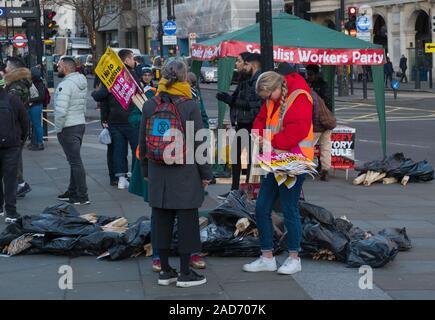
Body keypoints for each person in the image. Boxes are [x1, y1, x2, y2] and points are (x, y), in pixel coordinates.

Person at [139, 59, 213, 287]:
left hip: (157, 171)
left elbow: (142, 141)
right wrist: (205, 174)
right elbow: (200, 142)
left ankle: (165, 271)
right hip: (185, 171)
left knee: (160, 220)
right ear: (183, 78)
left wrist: (145, 171)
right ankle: (185, 273)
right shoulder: (189, 105)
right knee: (187, 221)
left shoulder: (150, 104)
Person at [243, 71, 313, 275]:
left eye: (267, 95)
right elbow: (260, 119)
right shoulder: (273, 98)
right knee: (262, 206)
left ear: (276, 88)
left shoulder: (299, 96)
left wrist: (269, 141)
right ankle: (267, 257)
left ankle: (294, 258)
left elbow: (297, 130)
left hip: (295, 162)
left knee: (289, 208)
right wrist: (257, 135)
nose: (266, 100)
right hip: (276, 161)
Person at [216, 52, 263, 199]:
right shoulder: (245, 79)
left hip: (251, 125)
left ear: (250, 64)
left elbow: (255, 105)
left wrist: (231, 100)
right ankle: (235, 190)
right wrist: (228, 99)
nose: (237, 64)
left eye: (239, 61)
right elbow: (238, 99)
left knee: (248, 160)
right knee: (236, 157)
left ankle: (244, 191)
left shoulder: (257, 80)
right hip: (242, 124)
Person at [92, 51, 140, 190]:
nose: (134, 61)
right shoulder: (131, 75)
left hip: (114, 120)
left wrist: (94, 93)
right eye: (132, 58)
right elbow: (139, 92)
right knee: (136, 148)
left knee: (119, 151)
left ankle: (121, 179)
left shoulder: (111, 78)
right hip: (131, 119)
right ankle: (136, 177)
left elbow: (100, 96)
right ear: (125, 60)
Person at [54, 57, 90, 205]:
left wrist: (58, 128)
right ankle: (73, 190)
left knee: (75, 162)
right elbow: (83, 104)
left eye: (59, 66)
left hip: (68, 126)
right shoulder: (81, 81)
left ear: (65, 68)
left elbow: (61, 111)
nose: (57, 68)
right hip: (79, 123)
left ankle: (82, 195)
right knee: (74, 161)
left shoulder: (66, 85)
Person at [0, 75, 29, 223]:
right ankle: (11, 212)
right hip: (12, 146)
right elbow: (25, 122)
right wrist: (20, 141)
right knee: (10, 179)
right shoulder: (13, 99)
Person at [4, 57, 32, 198]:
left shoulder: (16, 86)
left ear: (14, 68)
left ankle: (20, 184)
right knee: (15, 157)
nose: (5, 68)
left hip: (13, 126)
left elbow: (10, 106)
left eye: (7, 66)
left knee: (13, 158)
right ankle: (19, 184)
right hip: (15, 125)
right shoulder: (18, 83)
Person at [306, 64, 333, 181]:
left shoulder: (314, 87)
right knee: (325, 146)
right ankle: (325, 170)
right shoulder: (323, 85)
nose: (309, 76)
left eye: (310, 74)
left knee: (308, 145)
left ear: (316, 74)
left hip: (317, 122)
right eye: (308, 74)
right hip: (327, 120)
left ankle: (309, 169)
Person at [27, 67, 46, 151]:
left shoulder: (39, 83)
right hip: (34, 105)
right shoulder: (35, 82)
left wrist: (29, 100)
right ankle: (36, 142)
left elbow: (41, 97)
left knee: (37, 125)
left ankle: (40, 143)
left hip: (36, 106)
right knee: (35, 125)